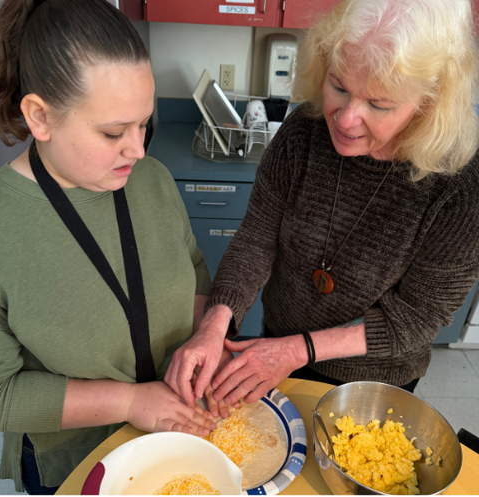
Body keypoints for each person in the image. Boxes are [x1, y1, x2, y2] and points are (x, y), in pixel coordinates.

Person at [165, 0, 479, 413]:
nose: (345, 120)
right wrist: (214, 321)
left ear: (427, 103)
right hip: (277, 341)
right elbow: (257, 238)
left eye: (379, 105)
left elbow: (416, 318)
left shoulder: (460, 183)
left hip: (376, 378)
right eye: (339, 86)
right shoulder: (303, 132)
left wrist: (298, 350)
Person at [0, 0, 216, 494]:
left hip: (181, 437)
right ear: (40, 117)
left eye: (144, 124)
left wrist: (202, 341)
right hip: (74, 465)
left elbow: (192, 267)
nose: (138, 150)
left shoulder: (154, 180)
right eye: (112, 132)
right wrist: (130, 402)